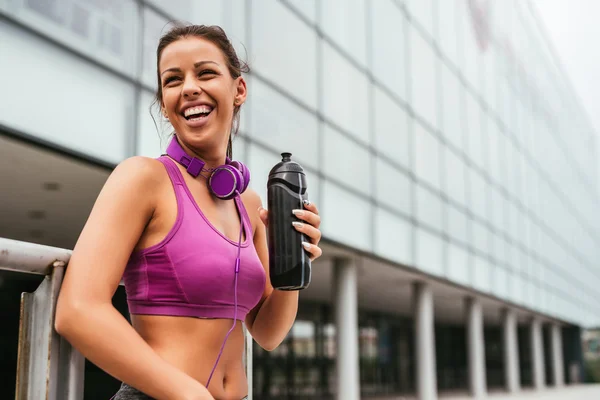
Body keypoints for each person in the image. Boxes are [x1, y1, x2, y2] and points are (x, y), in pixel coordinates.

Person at [54, 23, 322, 400]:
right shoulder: (142, 178)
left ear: (238, 89)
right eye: (173, 79)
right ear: (165, 103)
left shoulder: (249, 204)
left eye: (206, 72)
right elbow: (77, 310)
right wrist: (188, 394)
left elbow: (267, 333)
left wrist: (292, 268)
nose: (190, 87)